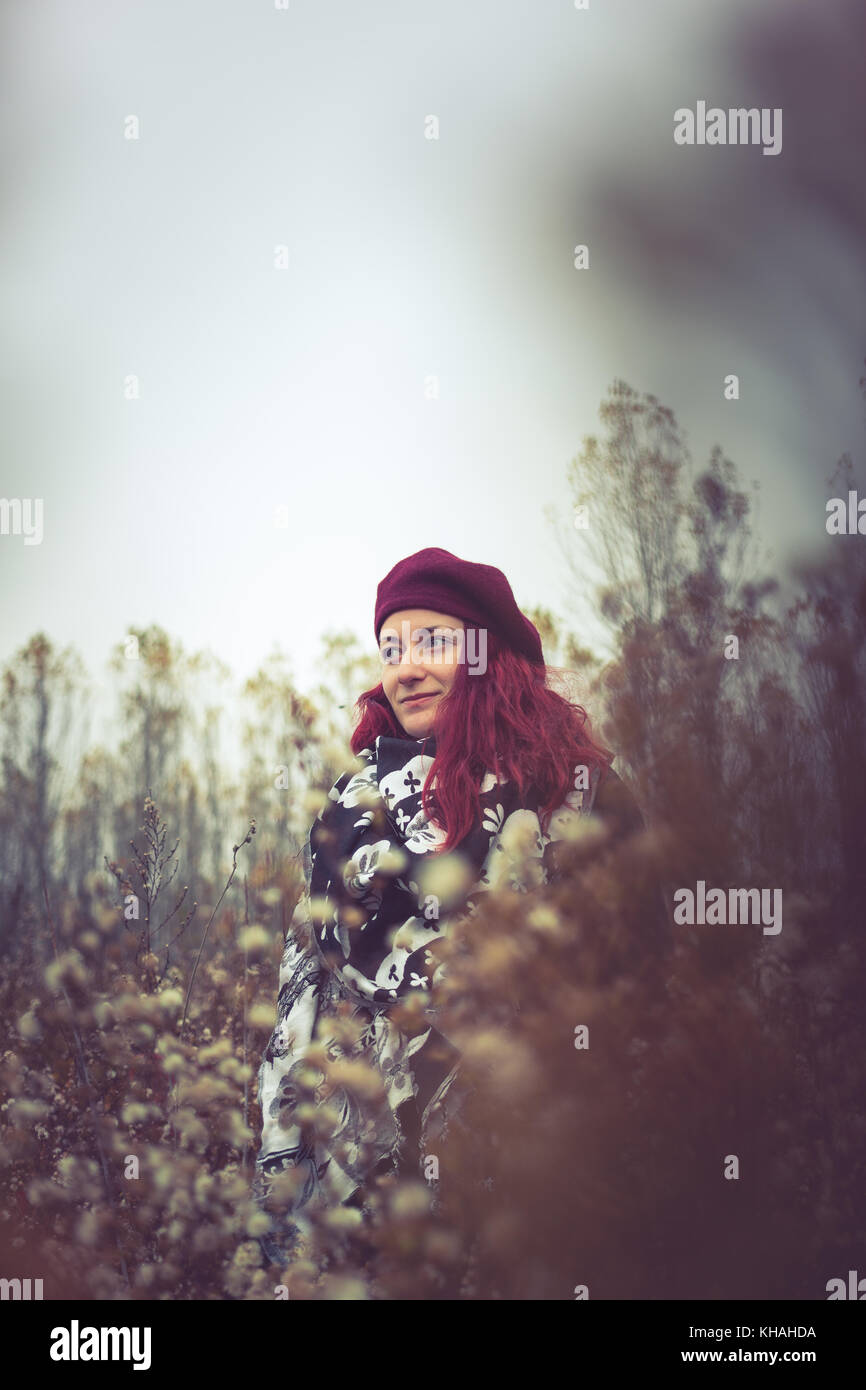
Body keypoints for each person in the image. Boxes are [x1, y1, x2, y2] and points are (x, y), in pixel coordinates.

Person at [253, 546, 668, 1277]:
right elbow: (301, 1004)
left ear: (488, 657)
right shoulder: (346, 814)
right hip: (358, 1220)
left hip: (530, 1200)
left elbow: (647, 984)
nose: (406, 666)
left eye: (432, 642)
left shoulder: (575, 796)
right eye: (391, 647)